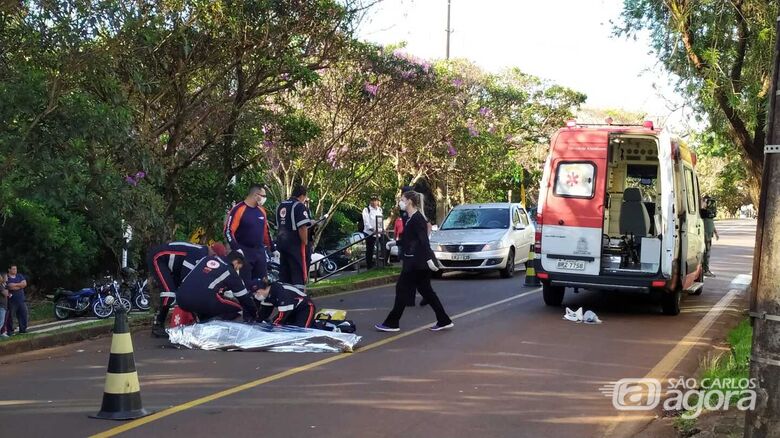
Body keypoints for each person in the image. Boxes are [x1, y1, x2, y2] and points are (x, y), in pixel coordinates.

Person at [375, 191, 453, 332]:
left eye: (402, 199)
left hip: (416, 263)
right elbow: (410, 240)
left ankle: (392, 323)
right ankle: (443, 319)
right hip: (416, 261)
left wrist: (429, 258)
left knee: (402, 289)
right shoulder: (412, 218)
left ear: (410, 201)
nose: (400, 202)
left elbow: (422, 240)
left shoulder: (417, 219)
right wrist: (395, 243)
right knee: (426, 291)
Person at [147, 241, 227, 337]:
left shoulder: (202, 252)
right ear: (214, 255)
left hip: (170, 265)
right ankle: (157, 327)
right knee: (169, 293)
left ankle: (201, 321)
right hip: (158, 258)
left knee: (179, 291)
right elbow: (186, 277)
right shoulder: (199, 253)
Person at [175, 251, 258, 322]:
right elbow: (244, 298)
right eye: (238, 267)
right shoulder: (230, 271)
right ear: (236, 262)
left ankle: (203, 324)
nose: (237, 270)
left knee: (207, 303)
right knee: (237, 308)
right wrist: (254, 314)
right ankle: (214, 329)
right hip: (202, 300)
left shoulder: (206, 259)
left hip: (181, 297)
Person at [225, 184, 270, 286]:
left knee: (263, 283)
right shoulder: (238, 209)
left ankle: (258, 301)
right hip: (244, 251)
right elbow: (228, 230)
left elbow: (266, 231)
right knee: (245, 283)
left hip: (260, 251)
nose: (264, 199)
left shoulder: (262, 211)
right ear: (255, 195)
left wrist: (272, 247)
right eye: (263, 196)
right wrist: (236, 247)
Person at [276, 185, 313, 289]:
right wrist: (305, 242)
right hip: (295, 244)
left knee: (284, 272)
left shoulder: (281, 205)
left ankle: (285, 296)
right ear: (302, 196)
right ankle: (298, 298)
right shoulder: (299, 206)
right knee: (298, 271)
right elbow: (302, 227)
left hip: (282, 243)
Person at [5, 266, 28, 335]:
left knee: (23, 315)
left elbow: (24, 284)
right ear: (9, 269)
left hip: (21, 300)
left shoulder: (19, 276)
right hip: (11, 301)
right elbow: (9, 286)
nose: (15, 270)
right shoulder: (7, 277)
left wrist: (15, 285)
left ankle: (23, 330)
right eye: (13, 269)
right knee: (10, 317)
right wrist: (20, 285)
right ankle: (10, 331)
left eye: (16, 269)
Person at [700, 195, 720, 277]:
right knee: (705, 253)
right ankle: (705, 270)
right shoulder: (702, 213)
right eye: (706, 202)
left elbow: (712, 223)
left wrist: (716, 233)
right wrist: (702, 203)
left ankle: (705, 269)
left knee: (707, 253)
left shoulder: (708, 213)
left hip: (709, 234)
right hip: (705, 235)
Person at [361, 197, 383, 269]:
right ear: (370, 201)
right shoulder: (366, 209)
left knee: (384, 244)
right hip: (369, 233)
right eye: (372, 200)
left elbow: (380, 220)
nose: (374, 202)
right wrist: (372, 229)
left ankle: (384, 262)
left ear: (378, 201)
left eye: (375, 200)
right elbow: (366, 222)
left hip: (379, 232)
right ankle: (369, 266)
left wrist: (382, 229)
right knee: (370, 249)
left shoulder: (379, 209)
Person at [0, 274, 8, 338]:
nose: (6, 278)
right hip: (1, 306)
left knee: (2, 321)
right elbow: (6, 293)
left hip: (3, 306)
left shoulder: (2, 285)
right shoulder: (0, 286)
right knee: (1, 321)